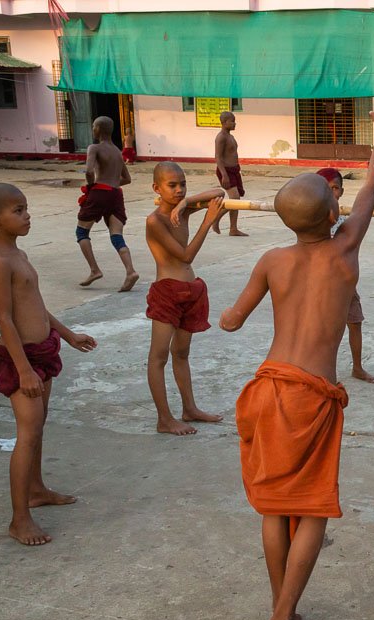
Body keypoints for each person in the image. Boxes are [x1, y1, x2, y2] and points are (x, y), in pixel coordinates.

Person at [219, 107, 374, 620]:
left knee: (275, 506)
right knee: (312, 507)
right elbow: (372, 186)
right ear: (332, 213)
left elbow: (230, 321)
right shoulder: (344, 251)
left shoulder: (272, 260)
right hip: (309, 398)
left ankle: (285, 611)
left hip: (266, 388)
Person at [0, 183, 98, 546]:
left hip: (42, 352)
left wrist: (67, 334)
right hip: (20, 359)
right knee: (27, 433)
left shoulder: (19, 254)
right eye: (18, 211)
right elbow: (4, 318)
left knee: (39, 426)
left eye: (26, 208)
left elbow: (35, 304)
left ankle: (36, 489)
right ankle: (19, 520)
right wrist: (23, 370)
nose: (27, 216)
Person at [144, 162, 227, 435]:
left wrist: (186, 203)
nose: (179, 190)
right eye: (172, 186)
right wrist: (207, 221)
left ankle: (189, 408)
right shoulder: (155, 221)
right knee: (158, 357)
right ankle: (164, 418)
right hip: (167, 292)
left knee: (181, 353)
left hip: (191, 291)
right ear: (156, 188)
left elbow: (220, 192)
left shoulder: (183, 209)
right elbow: (185, 256)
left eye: (183, 184)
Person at [318, 167, 374, 383]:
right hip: (321, 284)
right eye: (325, 188)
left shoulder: (345, 222)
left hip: (345, 283)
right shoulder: (311, 219)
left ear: (341, 192)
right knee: (325, 329)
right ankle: (323, 370)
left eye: (335, 188)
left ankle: (357, 367)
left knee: (355, 323)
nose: (331, 192)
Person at [77, 116, 138, 291]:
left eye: (93, 127)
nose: (92, 130)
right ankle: (130, 271)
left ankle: (94, 270)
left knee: (81, 232)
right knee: (116, 235)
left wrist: (92, 187)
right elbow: (127, 178)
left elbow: (89, 171)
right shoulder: (118, 152)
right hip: (116, 194)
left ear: (97, 129)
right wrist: (111, 184)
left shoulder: (94, 148)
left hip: (99, 192)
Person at [213, 111, 249, 237]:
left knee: (236, 199)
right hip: (226, 171)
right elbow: (218, 157)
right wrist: (224, 175)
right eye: (232, 121)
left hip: (234, 170)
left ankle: (233, 228)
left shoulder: (230, 136)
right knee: (235, 199)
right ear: (224, 122)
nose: (235, 123)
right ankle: (216, 218)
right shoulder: (221, 137)